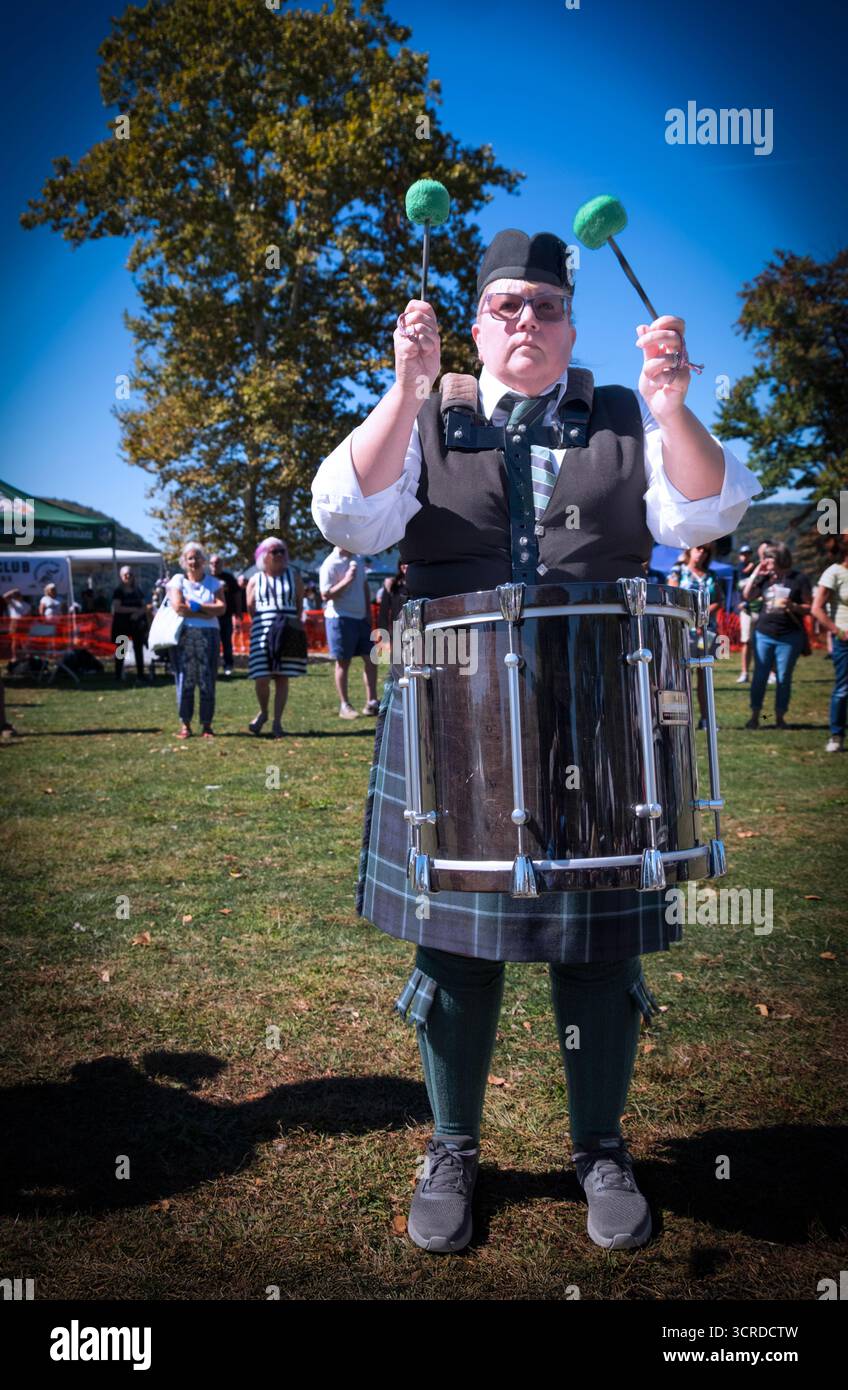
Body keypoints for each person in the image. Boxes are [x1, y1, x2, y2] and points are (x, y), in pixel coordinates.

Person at [311, 228, 760, 1253]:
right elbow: (348, 518)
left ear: (570, 325)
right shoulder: (427, 414)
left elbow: (700, 515)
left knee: (596, 954)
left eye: (544, 307)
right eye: (504, 306)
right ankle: (453, 1146)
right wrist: (406, 390)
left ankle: (599, 1147)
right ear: (474, 327)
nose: (525, 321)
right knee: (458, 951)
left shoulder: (623, 415)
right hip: (452, 715)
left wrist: (670, 405)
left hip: (596, 712)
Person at [742, 543, 812, 729]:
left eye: (768, 558)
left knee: (783, 677)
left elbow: (809, 607)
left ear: (780, 558)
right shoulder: (765, 579)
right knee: (759, 675)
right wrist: (757, 570)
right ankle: (755, 716)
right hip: (764, 633)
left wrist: (794, 606)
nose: (765, 561)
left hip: (789, 636)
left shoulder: (798, 579)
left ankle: (780, 718)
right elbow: (747, 594)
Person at [246, 537, 307, 738]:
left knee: (282, 676)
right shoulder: (255, 579)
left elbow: (299, 603)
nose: (279, 555)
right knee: (261, 676)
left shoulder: (294, 576)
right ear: (264, 555)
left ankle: (277, 723)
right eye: (275, 551)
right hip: (262, 630)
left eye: (282, 551)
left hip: (288, 628)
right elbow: (250, 606)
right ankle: (263, 712)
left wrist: (290, 622)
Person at [167, 542, 225, 738]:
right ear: (184, 561)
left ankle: (207, 725)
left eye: (197, 557)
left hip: (210, 635)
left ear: (204, 560)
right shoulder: (177, 581)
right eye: (190, 558)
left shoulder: (214, 583)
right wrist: (206, 611)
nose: (194, 561)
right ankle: (186, 724)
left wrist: (196, 606)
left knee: (207, 679)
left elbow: (221, 608)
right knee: (185, 679)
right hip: (185, 635)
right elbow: (178, 607)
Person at [318, 545, 379, 719]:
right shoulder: (330, 564)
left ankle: (372, 702)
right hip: (340, 618)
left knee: (371, 659)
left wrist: (368, 612)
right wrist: (346, 580)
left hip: (361, 619)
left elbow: (365, 586)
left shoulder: (358, 559)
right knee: (343, 663)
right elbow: (325, 595)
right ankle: (345, 705)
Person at [667, 543, 721, 728]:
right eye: (699, 548)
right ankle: (683, 717)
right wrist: (692, 617)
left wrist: (703, 615)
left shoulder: (711, 575)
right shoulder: (678, 571)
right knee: (683, 674)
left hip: (707, 630)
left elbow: (718, 600)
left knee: (705, 674)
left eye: (706, 550)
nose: (701, 553)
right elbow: (671, 596)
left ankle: (707, 719)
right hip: (683, 629)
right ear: (690, 550)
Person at [811, 530, 848, 753]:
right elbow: (816, 609)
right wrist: (838, 631)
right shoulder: (834, 572)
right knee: (843, 689)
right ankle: (836, 735)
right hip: (845, 640)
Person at [110, 565, 150, 682]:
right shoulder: (118, 591)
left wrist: (139, 613)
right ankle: (118, 675)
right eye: (125, 575)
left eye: (130, 574)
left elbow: (144, 606)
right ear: (121, 576)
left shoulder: (138, 590)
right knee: (121, 650)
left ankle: (140, 675)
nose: (128, 577)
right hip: (122, 624)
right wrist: (134, 610)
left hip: (136, 624)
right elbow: (117, 608)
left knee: (138, 649)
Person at [209, 554, 240, 675]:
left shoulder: (229, 578)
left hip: (226, 616)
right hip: (210, 616)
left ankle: (228, 666)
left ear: (222, 564)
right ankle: (213, 665)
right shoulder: (206, 578)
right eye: (212, 563)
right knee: (212, 642)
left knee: (226, 642)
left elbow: (237, 595)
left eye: (217, 563)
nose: (215, 565)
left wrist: (238, 612)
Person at [734, 543, 757, 682]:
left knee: (762, 642)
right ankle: (745, 673)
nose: (745, 556)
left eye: (748, 554)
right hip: (746, 609)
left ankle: (771, 673)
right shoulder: (739, 569)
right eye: (743, 554)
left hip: (759, 608)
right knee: (746, 641)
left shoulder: (757, 568)